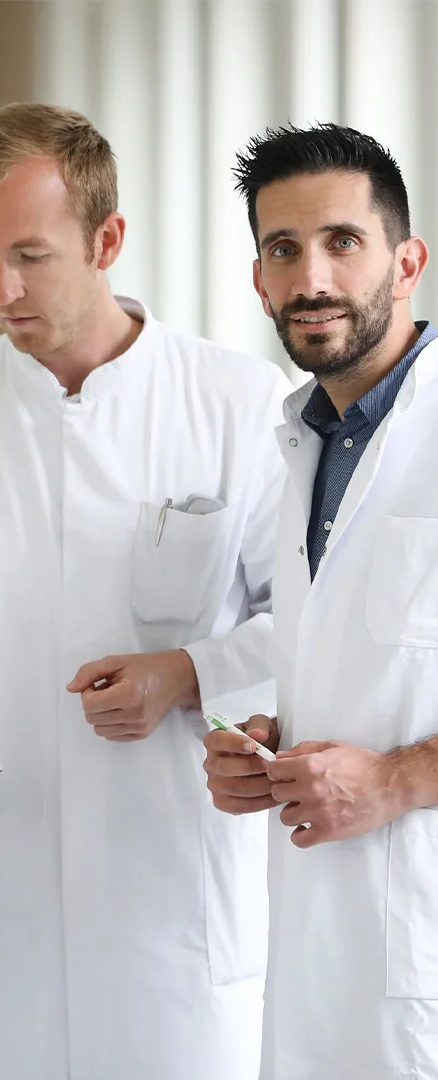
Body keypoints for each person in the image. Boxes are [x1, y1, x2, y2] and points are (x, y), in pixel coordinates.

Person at [0, 102, 293, 1080]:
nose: (2, 289)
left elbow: (309, 627)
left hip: (172, 900)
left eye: (30, 254)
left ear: (107, 239)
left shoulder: (237, 404)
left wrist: (187, 673)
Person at [203, 123, 438, 1080]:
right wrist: (271, 747)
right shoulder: (305, 441)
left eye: (344, 242)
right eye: (283, 248)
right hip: (319, 950)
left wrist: (393, 781)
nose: (313, 279)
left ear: (408, 261)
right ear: (259, 279)